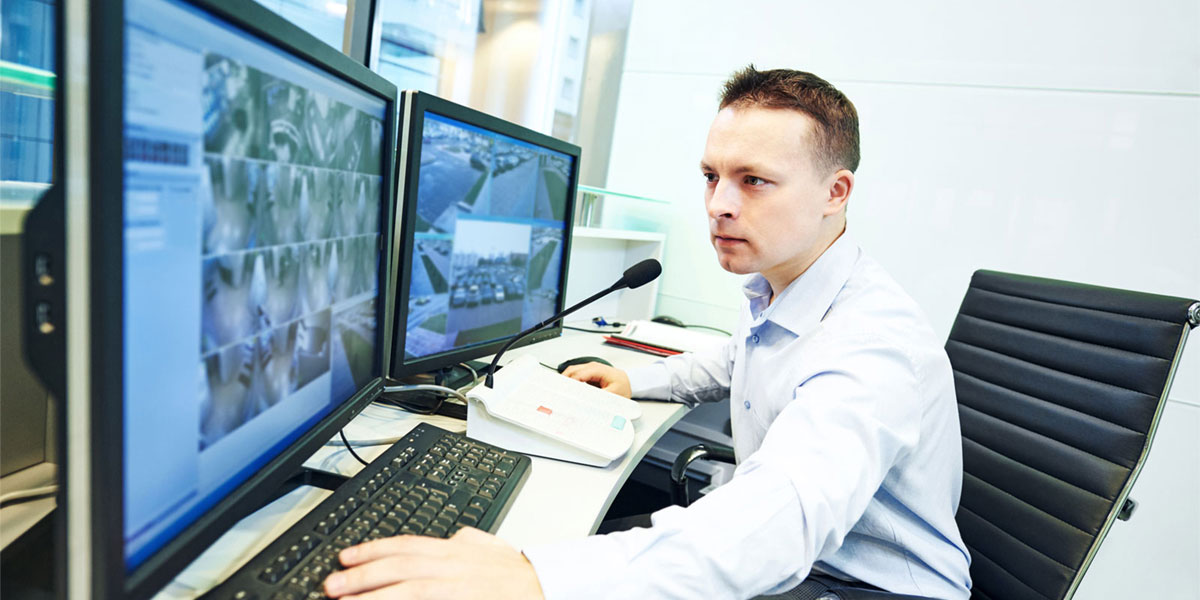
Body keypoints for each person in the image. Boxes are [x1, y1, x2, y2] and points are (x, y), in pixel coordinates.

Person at [322, 66, 973, 600]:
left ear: (836, 191)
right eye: (712, 176)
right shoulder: (789, 287)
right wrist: (638, 378)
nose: (719, 203)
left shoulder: (872, 344)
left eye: (754, 181)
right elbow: (740, 357)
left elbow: (782, 524)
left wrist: (536, 577)